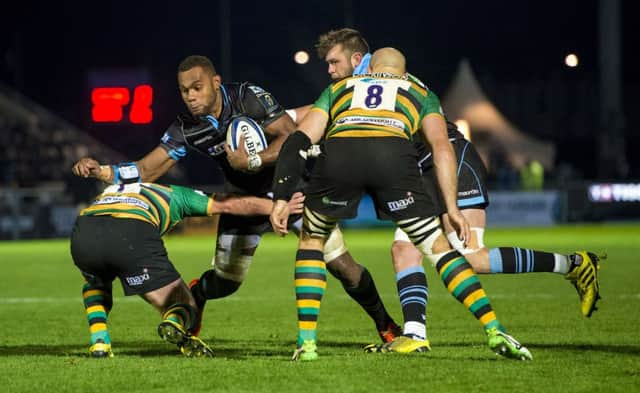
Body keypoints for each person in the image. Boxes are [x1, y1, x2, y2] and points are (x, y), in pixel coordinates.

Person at [71, 55, 401, 344]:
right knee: (227, 282)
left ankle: (386, 325)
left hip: (291, 190)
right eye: (185, 90)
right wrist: (102, 171)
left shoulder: (248, 97)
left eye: (197, 87)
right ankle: (198, 294)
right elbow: (146, 169)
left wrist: (254, 161)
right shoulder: (186, 127)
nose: (191, 96)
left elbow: (290, 136)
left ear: (215, 82)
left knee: (341, 264)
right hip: (242, 200)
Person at [291, 27, 603, 320]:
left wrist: (281, 118)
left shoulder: (376, 76)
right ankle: (414, 334)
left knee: (472, 259)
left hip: (450, 159)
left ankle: (573, 264)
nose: (329, 70)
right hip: (418, 170)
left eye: (334, 62)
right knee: (403, 249)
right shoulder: (357, 84)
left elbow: (318, 113)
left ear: (357, 60)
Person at [270, 47, 532, 361]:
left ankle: (307, 344)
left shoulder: (339, 89)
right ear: (403, 74)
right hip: (393, 159)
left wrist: (282, 197)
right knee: (438, 249)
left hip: (341, 157)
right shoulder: (420, 92)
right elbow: (442, 149)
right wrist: (451, 207)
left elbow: (299, 140)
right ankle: (494, 329)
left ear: (368, 70)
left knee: (312, 241)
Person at [70, 182, 304, 358]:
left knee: (96, 282)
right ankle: (176, 319)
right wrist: (277, 206)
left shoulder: (114, 189)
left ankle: (100, 340)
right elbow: (231, 204)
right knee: (186, 302)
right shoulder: (176, 195)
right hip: (130, 232)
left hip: (84, 232)